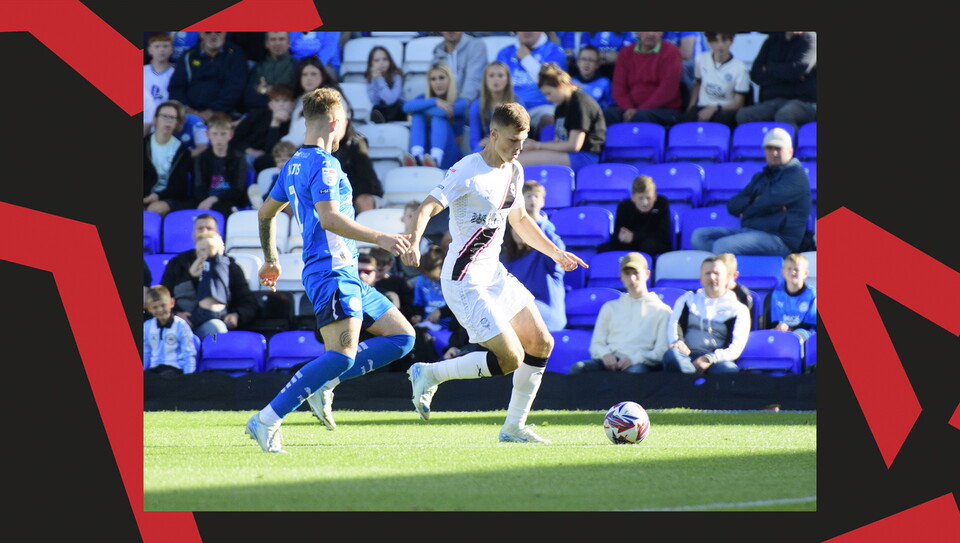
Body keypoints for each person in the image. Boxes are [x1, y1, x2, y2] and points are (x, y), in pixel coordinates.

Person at [401, 102, 588, 443]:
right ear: (492, 134)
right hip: (464, 281)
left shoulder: (515, 170)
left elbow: (519, 220)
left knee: (542, 343)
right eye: (512, 141)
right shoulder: (466, 171)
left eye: (523, 141)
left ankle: (514, 427)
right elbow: (428, 206)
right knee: (511, 358)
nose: (518, 148)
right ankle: (429, 373)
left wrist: (556, 252)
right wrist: (414, 242)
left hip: (494, 275)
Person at [247, 88, 416, 452]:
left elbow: (265, 213)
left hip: (344, 272)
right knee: (340, 356)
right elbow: (330, 218)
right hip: (331, 271)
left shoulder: (292, 164)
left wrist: (271, 258)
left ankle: (324, 382)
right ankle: (267, 419)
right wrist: (382, 238)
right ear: (336, 122)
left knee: (402, 338)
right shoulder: (325, 164)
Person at [691, 127, 811, 256]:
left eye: (778, 148)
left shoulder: (796, 176)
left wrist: (747, 211)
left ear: (790, 151)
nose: (774, 153)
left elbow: (767, 202)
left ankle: (724, 272)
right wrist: (755, 202)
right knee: (699, 236)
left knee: (723, 245)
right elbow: (733, 205)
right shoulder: (760, 176)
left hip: (780, 239)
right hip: (751, 231)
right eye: (770, 148)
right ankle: (725, 266)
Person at [568, 252, 671, 373]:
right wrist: (605, 355)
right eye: (627, 274)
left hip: (640, 364)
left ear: (647, 274)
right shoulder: (610, 308)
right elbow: (596, 344)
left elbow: (661, 351)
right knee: (578, 369)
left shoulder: (663, 311)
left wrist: (635, 359)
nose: (632, 278)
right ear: (621, 276)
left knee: (634, 374)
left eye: (636, 273)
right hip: (609, 362)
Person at [159, 213, 260, 337]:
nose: (204, 232)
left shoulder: (229, 265)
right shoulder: (177, 263)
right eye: (200, 228)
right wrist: (175, 314)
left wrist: (237, 315)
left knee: (216, 329)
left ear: (217, 235)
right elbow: (163, 295)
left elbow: (247, 301)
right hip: (179, 323)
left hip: (213, 322)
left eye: (209, 228)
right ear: (193, 235)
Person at [662, 255, 750, 374]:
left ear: (727, 278)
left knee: (728, 370)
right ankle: (692, 379)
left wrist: (709, 358)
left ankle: (690, 382)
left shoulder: (739, 309)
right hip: (687, 357)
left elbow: (735, 348)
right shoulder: (687, 300)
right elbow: (674, 326)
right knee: (671, 356)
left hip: (716, 361)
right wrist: (678, 342)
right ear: (701, 278)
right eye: (708, 273)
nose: (712, 277)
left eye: (716, 273)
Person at [517, 62, 606, 174]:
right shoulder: (561, 106)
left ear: (561, 85)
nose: (548, 98)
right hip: (569, 155)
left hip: (584, 157)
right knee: (521, 158)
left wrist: (537, 145)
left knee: (521, 161)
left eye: (549, 93)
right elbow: (558, 141)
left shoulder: (580, 103)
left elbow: (574, 145)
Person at [736, 32, 816, 130]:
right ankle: (763, 145)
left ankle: (791, 145)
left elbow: (796, 71)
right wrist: (788, 76)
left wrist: (769, 68)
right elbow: (755, 74)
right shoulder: (771, 40)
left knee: (784, 114)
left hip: (803, 102)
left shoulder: (810, 40)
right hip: (773, 100)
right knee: (743, 115)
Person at [494, 32, 567, 138]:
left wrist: (526, 59)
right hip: (510, 106)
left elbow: (553, 84)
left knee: (550, 119)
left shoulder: (555, 51)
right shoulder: (505, 52)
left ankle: (546, 152)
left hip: (541, 107)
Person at [168, 31, 248, 123]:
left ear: (225, 33)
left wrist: (213, 111)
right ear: (200, 34)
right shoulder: (189, 55)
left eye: (218, 31)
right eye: (208, 32)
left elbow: (234, 88)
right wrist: (188, 110)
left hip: (223, 115)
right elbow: (176, 86)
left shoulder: (235, 54)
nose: (213, 35)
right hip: (188, 114)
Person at [606, 31, 683, 127]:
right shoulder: (625, 53)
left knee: (641, 117)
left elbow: (667, 90)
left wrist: (639, 110)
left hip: (664, 108)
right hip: (632, 107)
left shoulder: (671, 52)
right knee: (608, 114)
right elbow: (618, 88)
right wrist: (628, 108)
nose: (651, 34)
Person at [501, 221, 567, 332]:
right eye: (516, 228)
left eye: (525, 229)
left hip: (547, 316)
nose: (519, 232)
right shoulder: (504, 260)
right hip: (516, 316)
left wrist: (537, 220)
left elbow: (557, 252)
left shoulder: (543, 255)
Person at [401, 62, 468, 169]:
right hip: (426, 156)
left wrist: (423, 107)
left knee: (435, 117)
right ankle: (417, 156)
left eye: (441, 78)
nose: (438, 82)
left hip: (449, 155)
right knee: (417, 115)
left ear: (449, 80)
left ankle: (436, 158)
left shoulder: (460, 101)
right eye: (433, 79)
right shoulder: (427, 99)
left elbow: (442, 113)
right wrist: (435, 101)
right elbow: (406, 107)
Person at [679, 32, 750, 128]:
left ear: (731, 41)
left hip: (725, 109)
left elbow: (739, 103)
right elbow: (698, 84)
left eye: (724, 40)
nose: (720, 45)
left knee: (720, 121)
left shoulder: (740, 67)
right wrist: (691, 107)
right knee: (685, 121)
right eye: (715, 41)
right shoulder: (701, 59)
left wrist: (714, 108)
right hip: (702, 106)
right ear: (709, 43)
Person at [597, 174, 673, 257]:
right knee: (604, 249)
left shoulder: (662, 203)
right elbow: (617, 234)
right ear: (633, 197)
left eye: (648, 198)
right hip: (631, 244)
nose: (645, 203)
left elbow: (663, 235)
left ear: (655, 197)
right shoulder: (624, 206)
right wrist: (621, 237)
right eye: (640, 198)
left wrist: (634, 236)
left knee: (647, 245)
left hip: (654, 243)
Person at [282, 57, 350, 147]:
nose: (309, 78)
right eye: (304, 75)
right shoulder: (300, 98)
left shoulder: (331, 95)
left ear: (322, 75)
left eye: (313, 74)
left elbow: (336, 129)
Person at [192, 112, 250, 217]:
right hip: (205, 200)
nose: (219, 138)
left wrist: (214, 199)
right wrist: (206, 200)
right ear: (207, 134)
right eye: (215, 134)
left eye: (223, 134)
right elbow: (199, 186)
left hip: (230, 201)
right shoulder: (201, 158)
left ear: (231, 134)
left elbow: (238, 189)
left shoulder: (238, 158)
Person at [144, 100, 193, 217]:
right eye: (165, 116)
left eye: (173, 118)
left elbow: (179, 187)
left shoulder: (182, 151)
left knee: (154, 209)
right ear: (155, 119)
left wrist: (158, 196)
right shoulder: (143, 145)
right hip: (145, 194)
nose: (169, 121)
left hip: (169, 197)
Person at [231, 83, 295, 174]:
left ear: (292, 104)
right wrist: (250, 150)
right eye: (277, 101)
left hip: (269, 160)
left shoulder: (292, 123)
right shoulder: (257, 115)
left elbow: (272, 151)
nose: (281, 105)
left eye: (285, 101)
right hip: (246, 153)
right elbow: (235, 136)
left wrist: (275, 123)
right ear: (270, 104)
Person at [188, 230, 234, 338]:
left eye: (204, 250)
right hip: (202, 311)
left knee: (185, 328)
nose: (201, 253)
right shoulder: (206, 265)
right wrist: (200, 258)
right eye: (198, 251)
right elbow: (193, 272)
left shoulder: (221, 262)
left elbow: (214, 250)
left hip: (212, 312)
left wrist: (210, 243)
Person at [468, 61, 522, 153]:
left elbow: (520, 134)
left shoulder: (517, 103)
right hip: (487, 147)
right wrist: (481, 144)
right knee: (477, 152)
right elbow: (474, 140)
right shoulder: (477, 105)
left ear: (507, 80)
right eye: (491, 76)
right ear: (485, 80)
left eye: (500, 76)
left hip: (511, 147)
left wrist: (496, 142)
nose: (496, 79)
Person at [143, 285, 197, 376]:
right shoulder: (147, 326)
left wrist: (188, 378)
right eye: (155, 307)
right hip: (154, 369)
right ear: (149, 308)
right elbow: (146, 352)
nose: (160, 310)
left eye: (163, 305)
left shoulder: (181, 326)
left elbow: (188, 355)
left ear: (172, 303)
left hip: (175, 369)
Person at [766, 253, 816, 341]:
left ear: (805, 273)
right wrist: (779, 327)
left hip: (804, 333)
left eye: (797, 269)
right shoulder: (776, 294)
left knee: (797, 336)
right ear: (783, 272)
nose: (793, 272)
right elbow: (774, 321)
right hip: (782, 331)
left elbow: (809, 324)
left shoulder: (811, 293)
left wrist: (790, 330)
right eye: (789, 269)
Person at [243, 32, 298, 112]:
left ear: (289, 43)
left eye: (281, 39)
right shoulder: (258, 67)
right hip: (257, 113)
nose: (277, 43)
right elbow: (248, 98)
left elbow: (294, 97)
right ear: (267, 44)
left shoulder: (297, 67)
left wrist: (266, 91)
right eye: (273, 39)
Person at [432, 32, 488, 104]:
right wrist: (434, 103)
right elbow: (431, 89)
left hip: (470, 107)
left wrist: (458, 106)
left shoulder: (476, 46)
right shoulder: (437, 53)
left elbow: (474, 81)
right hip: (445, 106)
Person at [249, 140, 297, 211]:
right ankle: (261, 207)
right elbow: (270, 194)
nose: (280, 165)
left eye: (283, 160)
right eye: (277, 162)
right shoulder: (278, 178)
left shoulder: (300, 176)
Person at [144, 32, 175, 136]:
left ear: (171, 50)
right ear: (149, 50)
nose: (161, 50)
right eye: (157, 46)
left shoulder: (176, 74)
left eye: (165, 46)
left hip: (165, 125)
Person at [365, 46, 406, 123]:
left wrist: (380, 79)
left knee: (394, 107)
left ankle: (383, 120)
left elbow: (391, 100)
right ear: (371, 64)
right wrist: (375, 81)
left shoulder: (397, 76)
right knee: (376, 108)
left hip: (398, 109)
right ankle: (381, 120)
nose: (381, 63)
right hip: (383, 108)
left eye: (385, 59)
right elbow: (374, 101)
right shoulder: (371, 78)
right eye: (377, 60)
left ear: (390, 61)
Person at [571, 44, 613, 110]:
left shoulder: (605, 83)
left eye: (591, 60)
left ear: (597, 65)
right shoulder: (571, 82)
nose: (587, 63)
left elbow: (611, 106)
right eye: (583, 59)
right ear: (577, 62)